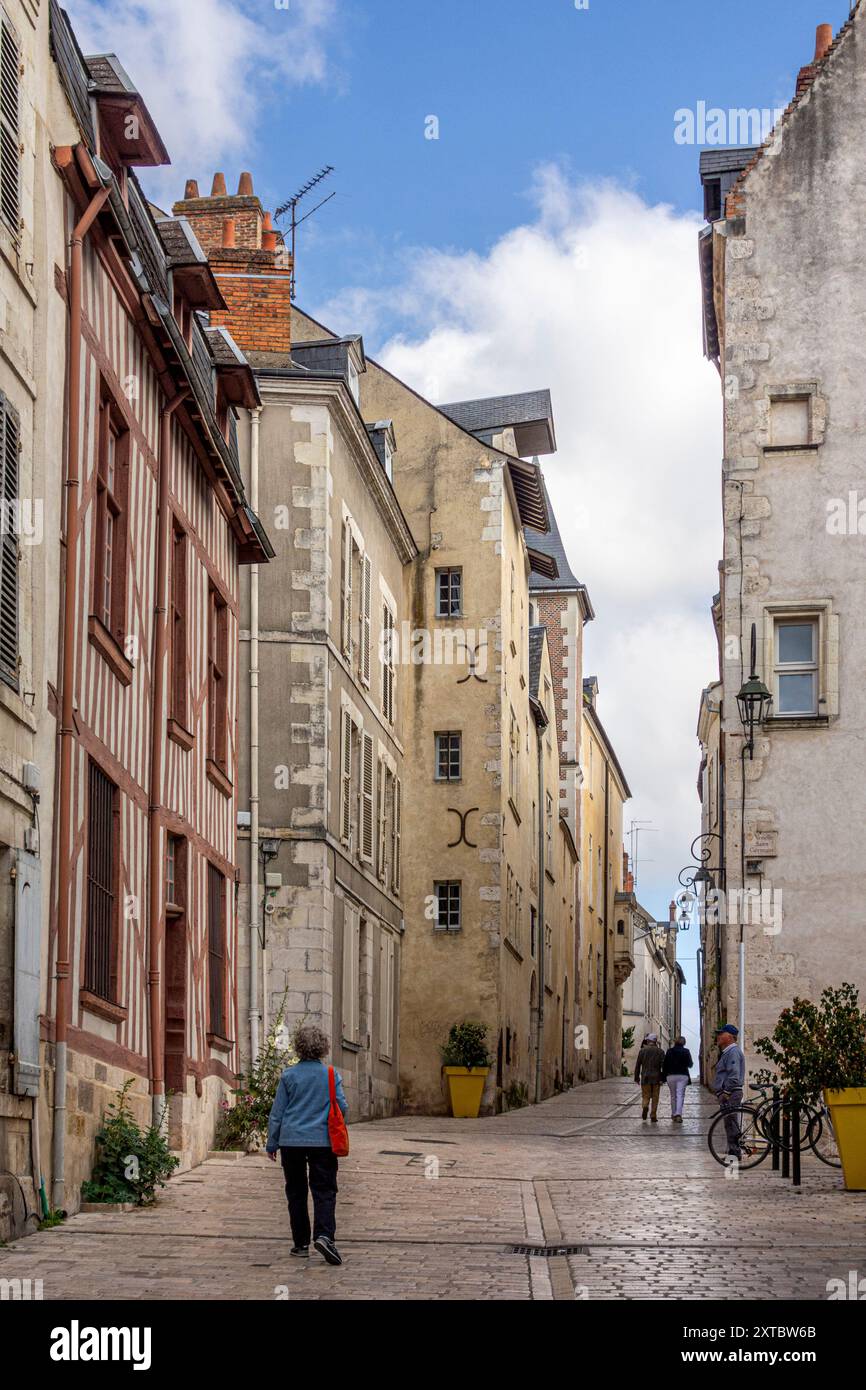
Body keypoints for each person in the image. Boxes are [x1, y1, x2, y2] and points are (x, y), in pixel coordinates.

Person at [266, 1023, 349, 1266]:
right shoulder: (332, 1075)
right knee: (324, 1190)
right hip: (323, 1142)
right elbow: (342, 1107)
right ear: (323, 1048)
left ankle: (300, 1244)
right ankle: (324, 1236)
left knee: (296, 1192)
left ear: (299, 1048)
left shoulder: (289, 1075)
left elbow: (277, 1113)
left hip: (291, 1141)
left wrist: (272, 1143)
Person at [713, 1023, 746, 1156]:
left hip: (731, 1093)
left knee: (731, 1122)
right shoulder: (728, 1052)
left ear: (729, 1037)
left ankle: (735, 1151)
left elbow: (733, 1075)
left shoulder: (732, 1052)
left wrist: (726, 1092)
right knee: (730, 1122)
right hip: (729, 1092)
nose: (718, 1036)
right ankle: (733, 1149)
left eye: (722, 1034)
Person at [634, 1033, 666, 1121]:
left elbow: (638, 1065)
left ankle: (645, 1106)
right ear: (655, 1042)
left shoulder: (642, 1051)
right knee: (655, 1097)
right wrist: (663, 1078)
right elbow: (664, 1066)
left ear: (648, 1041)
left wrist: (636, 1077)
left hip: (645, 1077)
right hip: (656, 1077)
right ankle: (653, 1115)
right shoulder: (660, 1052)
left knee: (645, 1096)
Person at [662, 1035, 693, 1123]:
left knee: (673, 1096)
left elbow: (665, 1065)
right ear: (684, 1043)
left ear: (675, 1042)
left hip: (670, 1075)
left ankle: (673, 1113)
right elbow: (690, 1065)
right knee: (680, 1095)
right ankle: (678, 1114)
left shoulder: (669, 1051)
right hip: (683, 1075)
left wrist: (663, 1077)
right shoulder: (686, 1051)